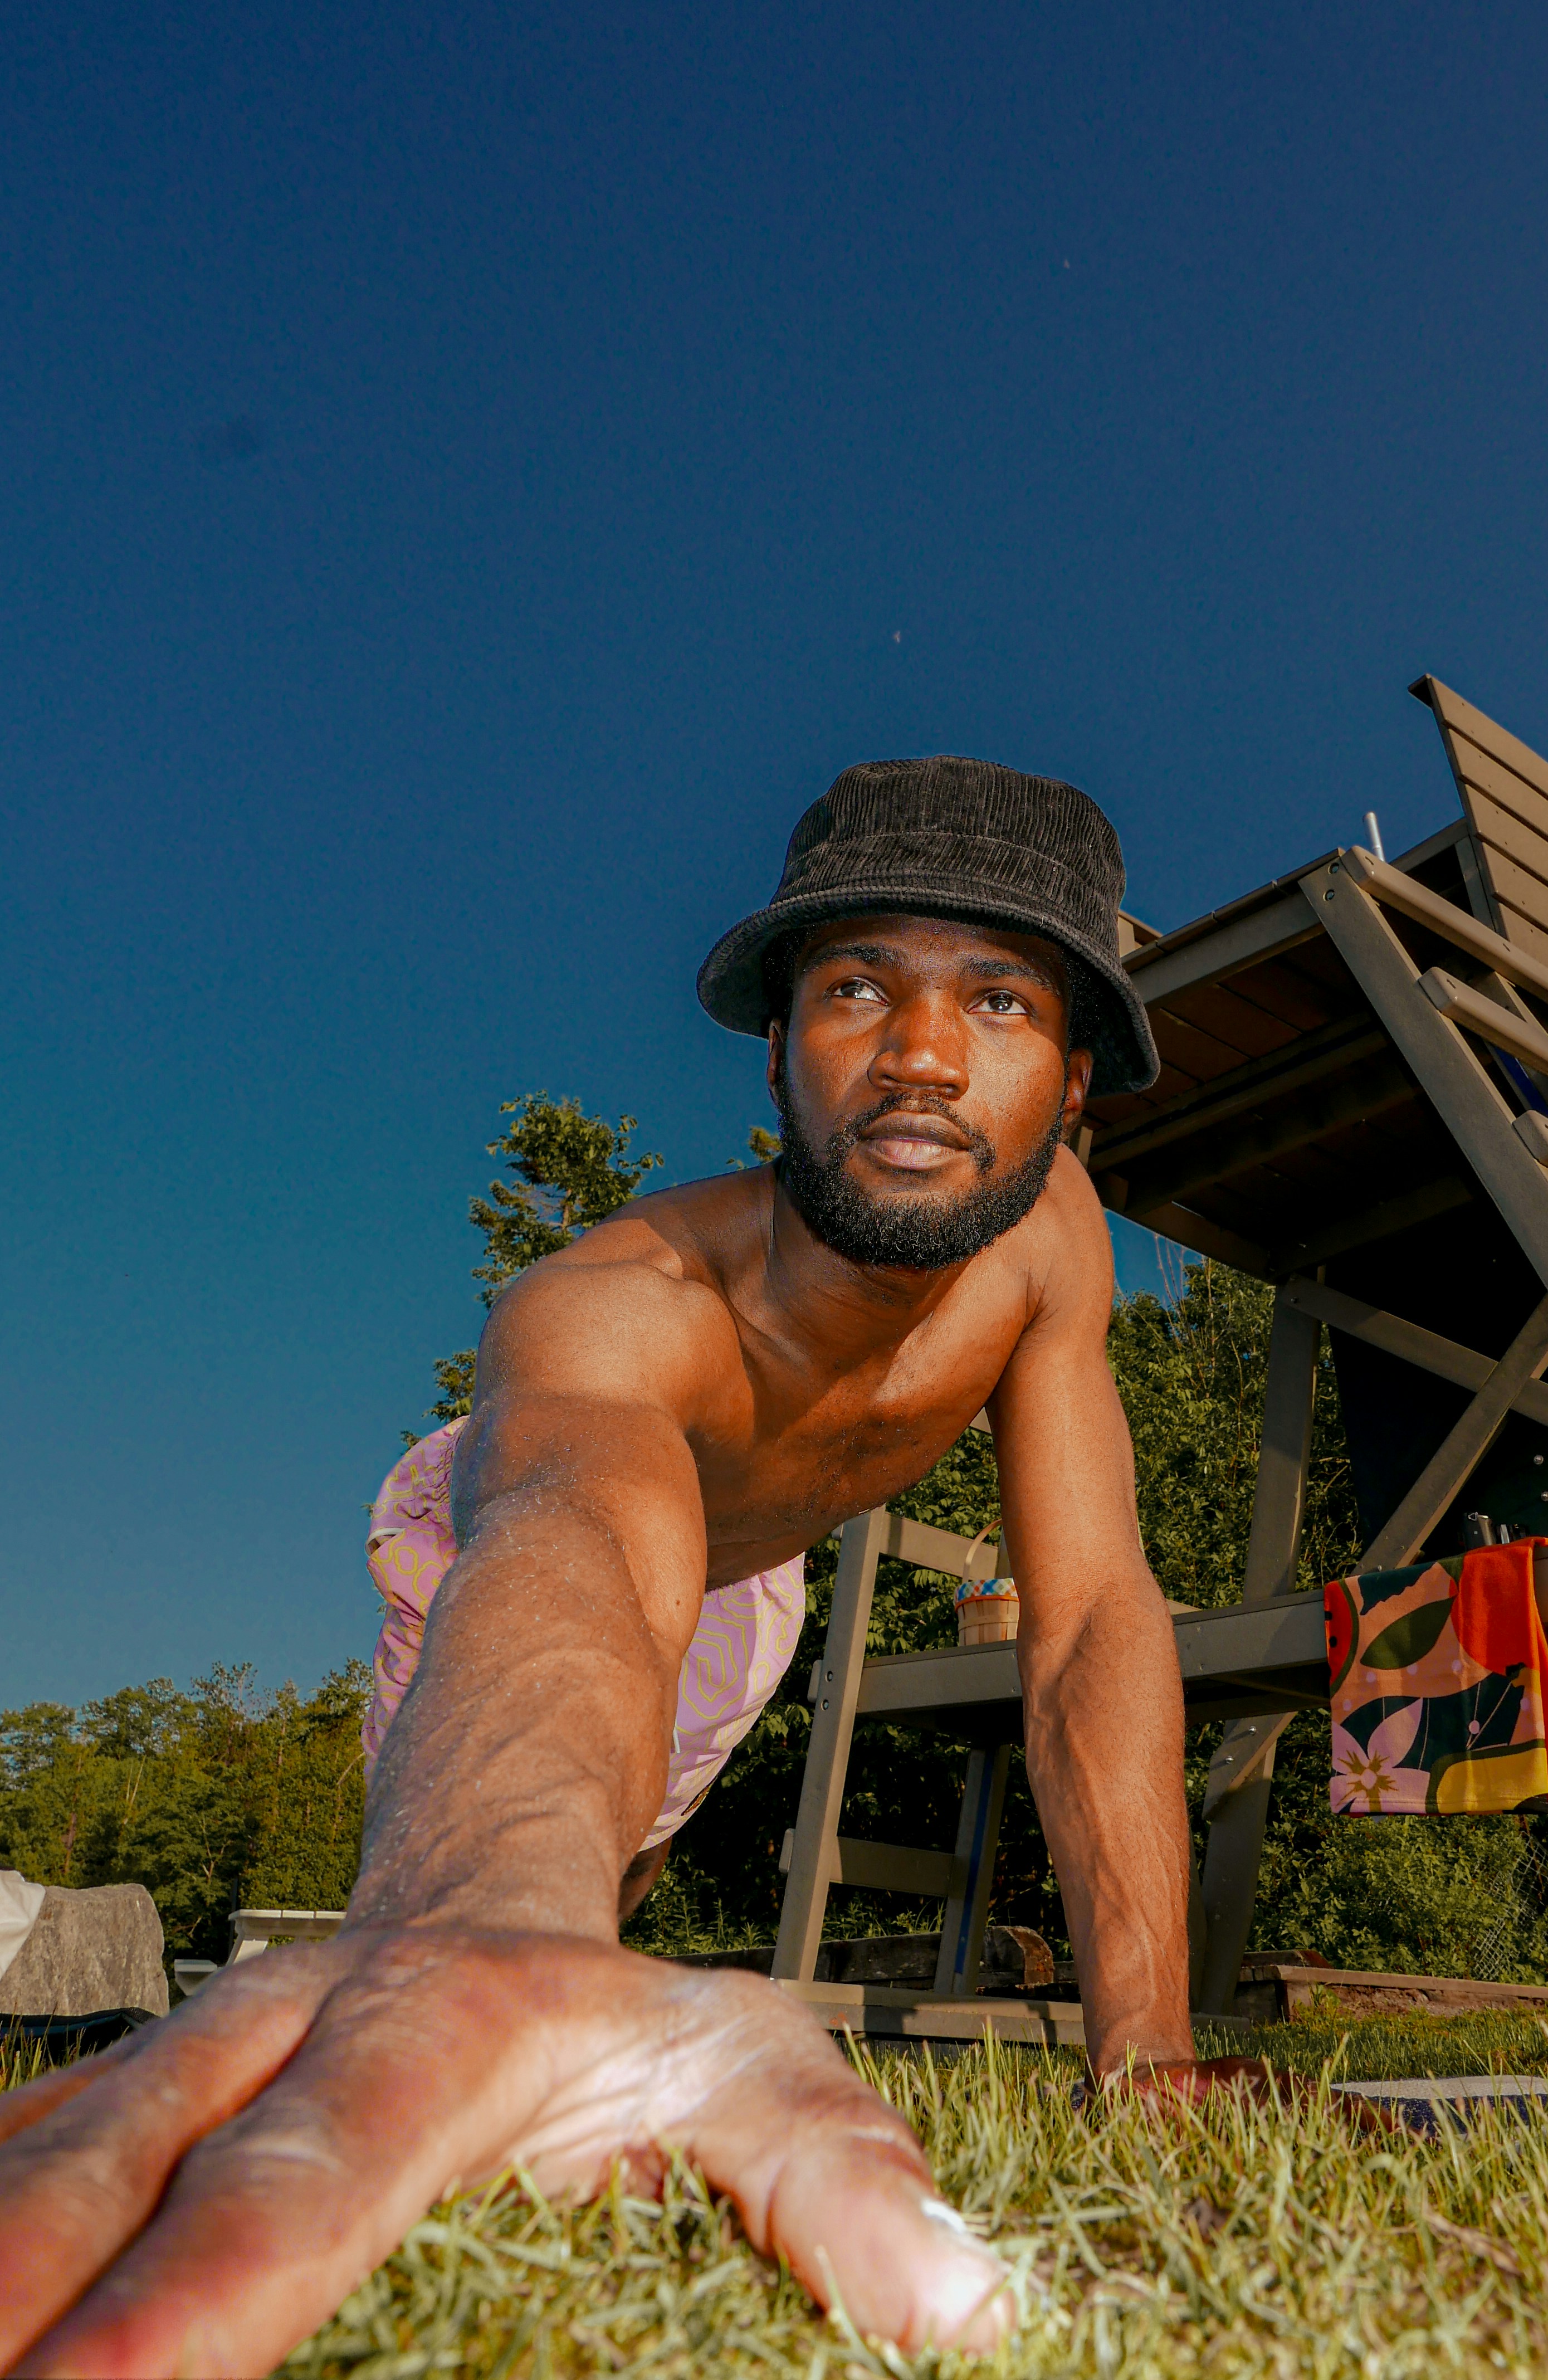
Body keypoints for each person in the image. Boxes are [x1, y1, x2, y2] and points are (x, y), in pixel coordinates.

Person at [0, 755, 1237, 2378]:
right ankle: (369, 2009)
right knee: (517, 1900)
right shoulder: (612, 1304)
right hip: (503, 1532)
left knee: (623, 1871)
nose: (925, 1058)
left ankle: (529, 1995)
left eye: (1000, 1002)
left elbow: (1086, 1618)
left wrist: (1146, 2053)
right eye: (859, 988)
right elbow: (577, 1540)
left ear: (1076, 1084)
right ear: (780, 1050)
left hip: (755, 1577)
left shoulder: (1051, 1246)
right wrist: (486, 1918)